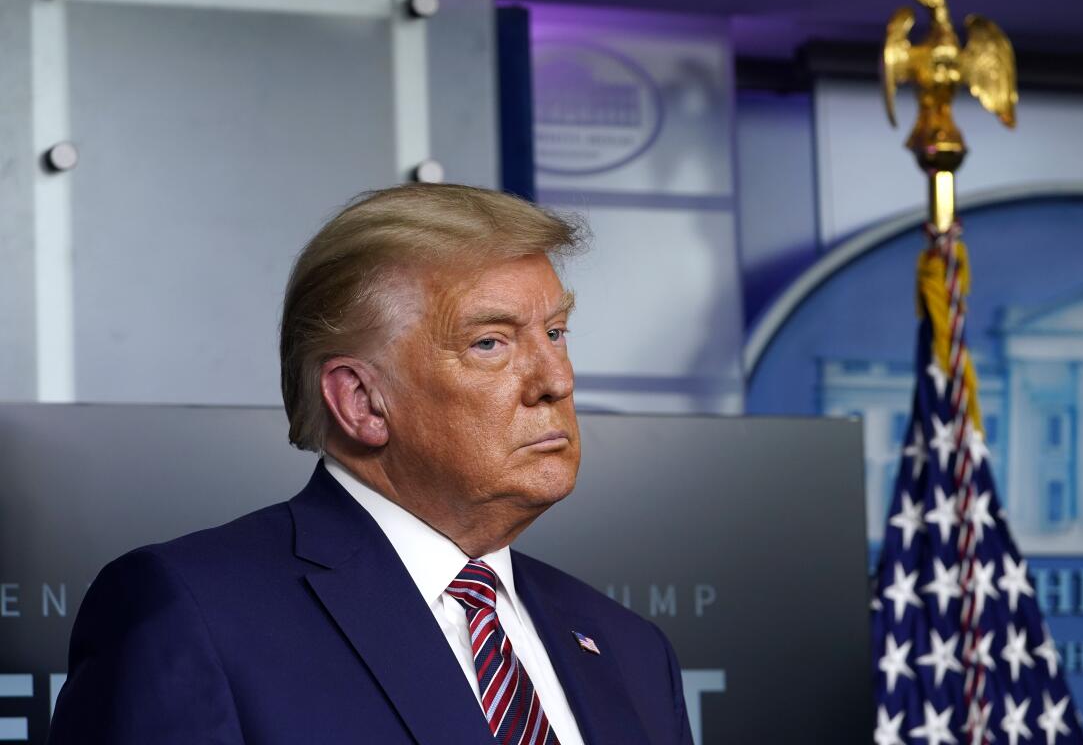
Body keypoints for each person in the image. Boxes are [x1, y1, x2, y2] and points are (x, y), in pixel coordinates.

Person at [48, 184, 694, 744]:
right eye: (490, 342)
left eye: (555, 332)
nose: (555, 379)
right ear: (361, 401)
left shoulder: (630, 650)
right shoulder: (193, 615)